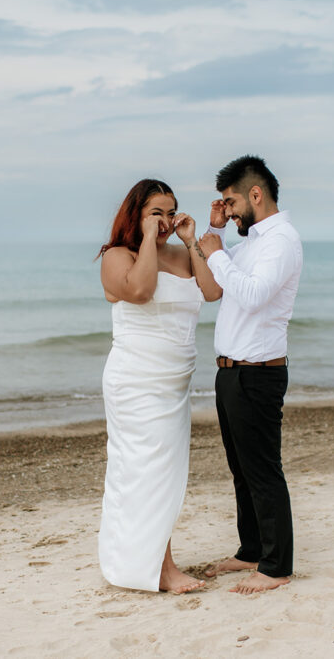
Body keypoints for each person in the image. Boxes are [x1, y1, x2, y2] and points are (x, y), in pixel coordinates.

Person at [96, 178, 222, 594]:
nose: (167, 220)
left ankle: (152, 563)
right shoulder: (118, 256)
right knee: (141, 473)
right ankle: (160, 570)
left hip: (173, 387)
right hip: (136, 382)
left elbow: (212, 290)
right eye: (157, 213)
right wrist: (148, 238)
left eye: (171, 212)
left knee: (165, 475)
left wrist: (190, 242)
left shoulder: (181, 253)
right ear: (137, 214)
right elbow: (141, 289)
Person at [197, 155, 303, 595]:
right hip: (231, 373)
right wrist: (214, 234)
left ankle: (277, 567)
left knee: (263, 470)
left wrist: (218, 253)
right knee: (241, 469)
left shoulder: (281, 240)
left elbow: (255, 295)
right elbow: (215, 289)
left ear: (255, 195)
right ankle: (251, 550)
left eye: (231, 201)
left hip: (258, 375)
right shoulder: (252, 242)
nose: (229, 208)